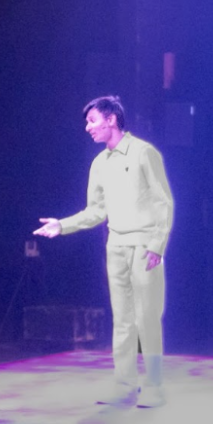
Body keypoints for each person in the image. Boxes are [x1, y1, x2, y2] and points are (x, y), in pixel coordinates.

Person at [33, 95, 173, 408]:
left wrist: (156, 245)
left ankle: (154, 386)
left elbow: (164, 201)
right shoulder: (99, 163)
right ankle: (124, 385)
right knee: (123, 320)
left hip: (144, 245)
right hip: (116, 245)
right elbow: (96, 211)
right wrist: (63, 225)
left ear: (111, 120)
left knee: (147, 318)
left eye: (92, 120)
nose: (88, 127)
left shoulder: (143, 153)